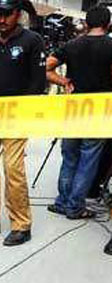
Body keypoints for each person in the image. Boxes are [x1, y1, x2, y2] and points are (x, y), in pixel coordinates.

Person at [0, 0, 45, 246]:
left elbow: (37, 83)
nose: (2, 19)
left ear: (18, 14)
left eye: (7, 14)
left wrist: (28, 113)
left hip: (16, 117)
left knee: (13, 170)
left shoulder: (32, 41)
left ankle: (21, 224)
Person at [45, 5, 112, 220]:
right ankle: (75, 206)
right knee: (88, 160)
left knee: (70, 157)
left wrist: (64, 81)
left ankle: (62, 202)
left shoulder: (72, 45)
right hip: (99, 112)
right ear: (108, 24)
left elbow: (46, 67)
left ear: (87, 23)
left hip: (73, 111)